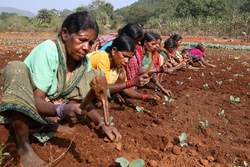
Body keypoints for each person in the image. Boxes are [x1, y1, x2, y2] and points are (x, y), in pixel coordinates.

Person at [0, 11, 121, 167]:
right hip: (25, 107)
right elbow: (35, 100)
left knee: (92, 75)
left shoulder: (83, 63)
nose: (87, 48)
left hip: (48, 110)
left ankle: (45, 124)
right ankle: (23, 147)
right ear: (65, 34)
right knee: (15, 67)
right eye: (82, 40)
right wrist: (61, 110)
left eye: (91, 43)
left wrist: (102, 123)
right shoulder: (49, 51)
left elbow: (86, 98)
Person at [141, 32, 172, 97]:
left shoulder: (149, 54)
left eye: (158, 44)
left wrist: (163, 89)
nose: (157, 46)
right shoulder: (139, 54)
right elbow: (139, 71)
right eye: (153, 44)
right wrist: (157, 69)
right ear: (145, 43)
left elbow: (153, 74)